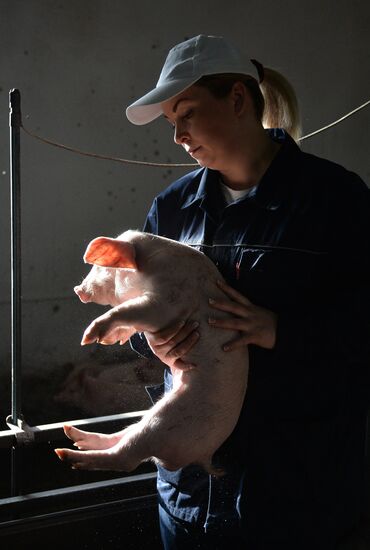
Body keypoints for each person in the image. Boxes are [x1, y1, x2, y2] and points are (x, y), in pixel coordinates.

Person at [126, 35, 370, 550]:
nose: (178, 136)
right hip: (190, 496)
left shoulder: (336, 200)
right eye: (172, 121)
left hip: (299, 495)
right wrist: (154, 343)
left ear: (237, 99)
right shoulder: (171, 211)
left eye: (187, 113)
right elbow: (137, 321)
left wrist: (280, 330)